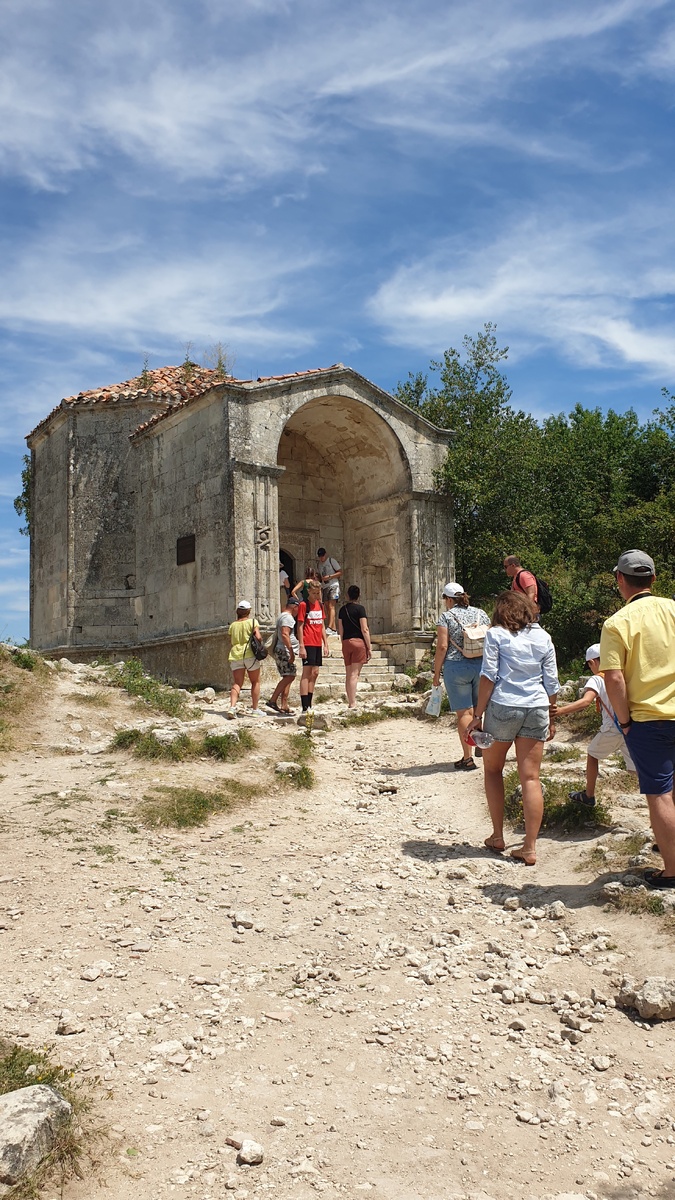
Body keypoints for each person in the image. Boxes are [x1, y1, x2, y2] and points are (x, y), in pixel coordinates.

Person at [600, 550, 675, 889]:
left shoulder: (617, 623)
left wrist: (625, 721)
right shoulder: (673, 609)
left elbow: (613, 678)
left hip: (648, 718)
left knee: (660, 793)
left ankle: (671, 870)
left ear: (620, 580)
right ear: (654, 579)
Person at [467, 590, 559, 865]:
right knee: (531, 778)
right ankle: (529, 846)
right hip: (536, 707)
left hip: (504, 706)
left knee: (493, 769)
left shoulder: (496, 634)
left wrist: (477, 715)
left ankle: (497, 836)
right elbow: (551, 681)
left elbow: (488, 676)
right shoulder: (543, 637)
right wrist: (551, 717)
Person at [556, 642, 636, 807]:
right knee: (636, 771)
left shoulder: (597, 679)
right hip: (630, 729)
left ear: (593, 662)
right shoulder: (624, 675)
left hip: (612, 729)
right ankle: (665, 797)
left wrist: (560, 711)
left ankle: (589, 795)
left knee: (593, 755)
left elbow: (585, 702)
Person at [432, 582, 490, 771]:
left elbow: (442, 647)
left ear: (449, 599)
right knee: (478, 711)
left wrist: (436, 673)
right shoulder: (481, 613)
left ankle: (468, 758)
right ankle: (482, 744)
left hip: (456, 667)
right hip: (481, 665)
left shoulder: (446, 617)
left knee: (464, 713)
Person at [338, 585, 372, 709]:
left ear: (347, 595)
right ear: (359, 595)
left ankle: (350, 701)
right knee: (354, 674)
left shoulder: (342, 610)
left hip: (346, 642)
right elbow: (365, 629)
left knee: (349, 674)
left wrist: (343, 642)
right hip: (358, 642)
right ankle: (352, 703)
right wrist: (369, 647)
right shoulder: (360, 609)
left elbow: (340, 629)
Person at [227, 600, 263, 718]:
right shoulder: (253, 622)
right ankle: (255, 709)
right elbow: (258, 636)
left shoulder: (233, 625)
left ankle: (232, 708)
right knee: (255, 681)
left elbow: (231, 640)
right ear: (249, 611)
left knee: (237, 683)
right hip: (249, 655)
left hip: (235, 655)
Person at [297, 580, 330, 711]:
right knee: (306, 672)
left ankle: (310, 703)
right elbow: (299, 626)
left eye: (318, 592)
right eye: (314, 593)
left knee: (315, 673)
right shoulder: (303, 605)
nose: (317, 595)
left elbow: (322, 625)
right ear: (309, 591)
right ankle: (305, 706)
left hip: (317, 643)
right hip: (307, 641)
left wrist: (326, 644)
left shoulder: (320, 605)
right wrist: (301, 645)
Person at [266, 594, 300, 714]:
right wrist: (291, 652)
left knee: (288, 676)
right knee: (290, 676)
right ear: (294, 607)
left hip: (282, 649)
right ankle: (273, 700)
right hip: (284, 650)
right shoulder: (288, 618)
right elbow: (285, 634)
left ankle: (284, 704)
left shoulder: (282, 616)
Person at [316, 548, 342, 635]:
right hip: (325, 586)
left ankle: (330, 627)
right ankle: (333, 629)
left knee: (331, 606)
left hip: (333, 585)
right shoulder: (319, 564)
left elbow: (340, 572)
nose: (321, 558)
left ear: (325, 554)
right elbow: (320, 576)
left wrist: (330, 576)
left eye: (322, 556)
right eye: (320, 556)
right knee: (326, 607)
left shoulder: (331, 561)